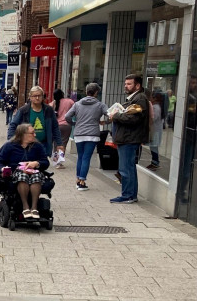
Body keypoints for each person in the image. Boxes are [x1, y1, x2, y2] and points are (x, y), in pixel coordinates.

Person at [0, 123, 51, 220]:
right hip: (16, 173)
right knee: (22, 176)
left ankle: (34, 207)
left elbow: (46, 162)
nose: (34, 135)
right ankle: (25, 206)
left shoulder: (37, 146)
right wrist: (3, 169)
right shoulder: (10, 146)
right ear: (23, 134)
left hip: (33, 172)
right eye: (32, 133)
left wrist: (36, 163)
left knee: (36, 177)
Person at [109, 74, 151, 204]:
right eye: (125, 83)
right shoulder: (135, 98)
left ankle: (128, 195)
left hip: (130, 139)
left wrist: (116, 116)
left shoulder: (139, 99)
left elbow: (134, 119)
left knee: (126, 168)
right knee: (128, 168)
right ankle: (130, 195)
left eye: (129, 84)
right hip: (127, 138)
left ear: (137, 85)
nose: (125, 86)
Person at [63, 82, 108, 191]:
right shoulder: (100, 105)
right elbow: (111, 114)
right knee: (87, 157)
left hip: (79, 133)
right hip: (92, 134)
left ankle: (78, 180)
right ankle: (82, 182)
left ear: (86, 91)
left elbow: (67, 116)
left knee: (80, 157)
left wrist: (74, 124)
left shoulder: (77, 104)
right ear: (96, 92)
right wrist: (105, 122)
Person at [8, 86, 61, 157]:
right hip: (27, 145)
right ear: (30, 97)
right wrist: (11, 142)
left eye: (39, 95)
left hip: (44, 145)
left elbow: (55, 127)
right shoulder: (23, 111)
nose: (37, 98)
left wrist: (59, 143)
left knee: (42, 165)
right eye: (35, 96)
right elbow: (13, 126)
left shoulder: (49, 110)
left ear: (42, 97)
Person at [54, 89, 75, 167]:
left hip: (56, 126)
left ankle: (56, 161)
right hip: (66, 125)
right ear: (62, 94)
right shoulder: (69, 101)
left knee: (56, 144)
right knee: (63, 144)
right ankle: (60, 163)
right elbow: (76, 109)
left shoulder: (54, 103)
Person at [147, 91, 164, 170]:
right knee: (153, 146)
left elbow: (153, 118)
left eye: (151, 97)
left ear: (155, 98)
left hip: (155, 130)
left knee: (154, 146)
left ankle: (155, 162)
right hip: (155, 130)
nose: (150, 99)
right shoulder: (158, 107)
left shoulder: (156, 107)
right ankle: (154, 162)